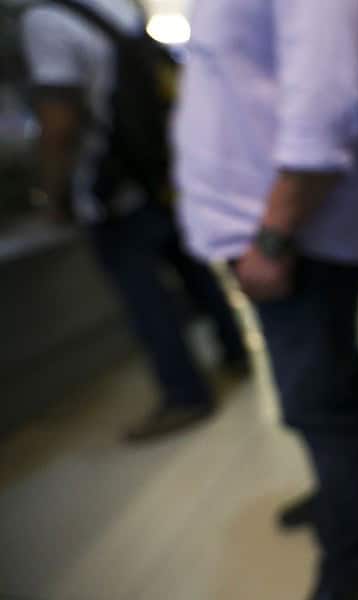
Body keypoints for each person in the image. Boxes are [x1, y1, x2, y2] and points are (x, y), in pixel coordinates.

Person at [172, 1, 358, 598]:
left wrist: (272, 238)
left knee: (317, 400)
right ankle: (357, 493)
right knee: (335, 372)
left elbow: (326, 102)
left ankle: (350, 552)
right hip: (284, 229)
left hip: (292, 235)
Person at [21, 0, 248, 443]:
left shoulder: (45, 21)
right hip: (158, 171)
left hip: (111, 189)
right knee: (195, 270)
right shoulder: (115, 8)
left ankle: (185, 395)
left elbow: (59, 122)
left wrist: (55, 194)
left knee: (147, 301)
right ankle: (236, 353)